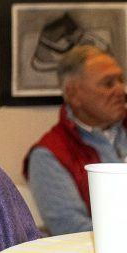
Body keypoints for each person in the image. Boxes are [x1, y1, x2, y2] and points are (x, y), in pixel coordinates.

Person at [24, 45, 127, 235]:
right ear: (73, 95)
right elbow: (72, 229)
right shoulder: (49, 155)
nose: (121, 90)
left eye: (121, 80)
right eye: (108, 83)